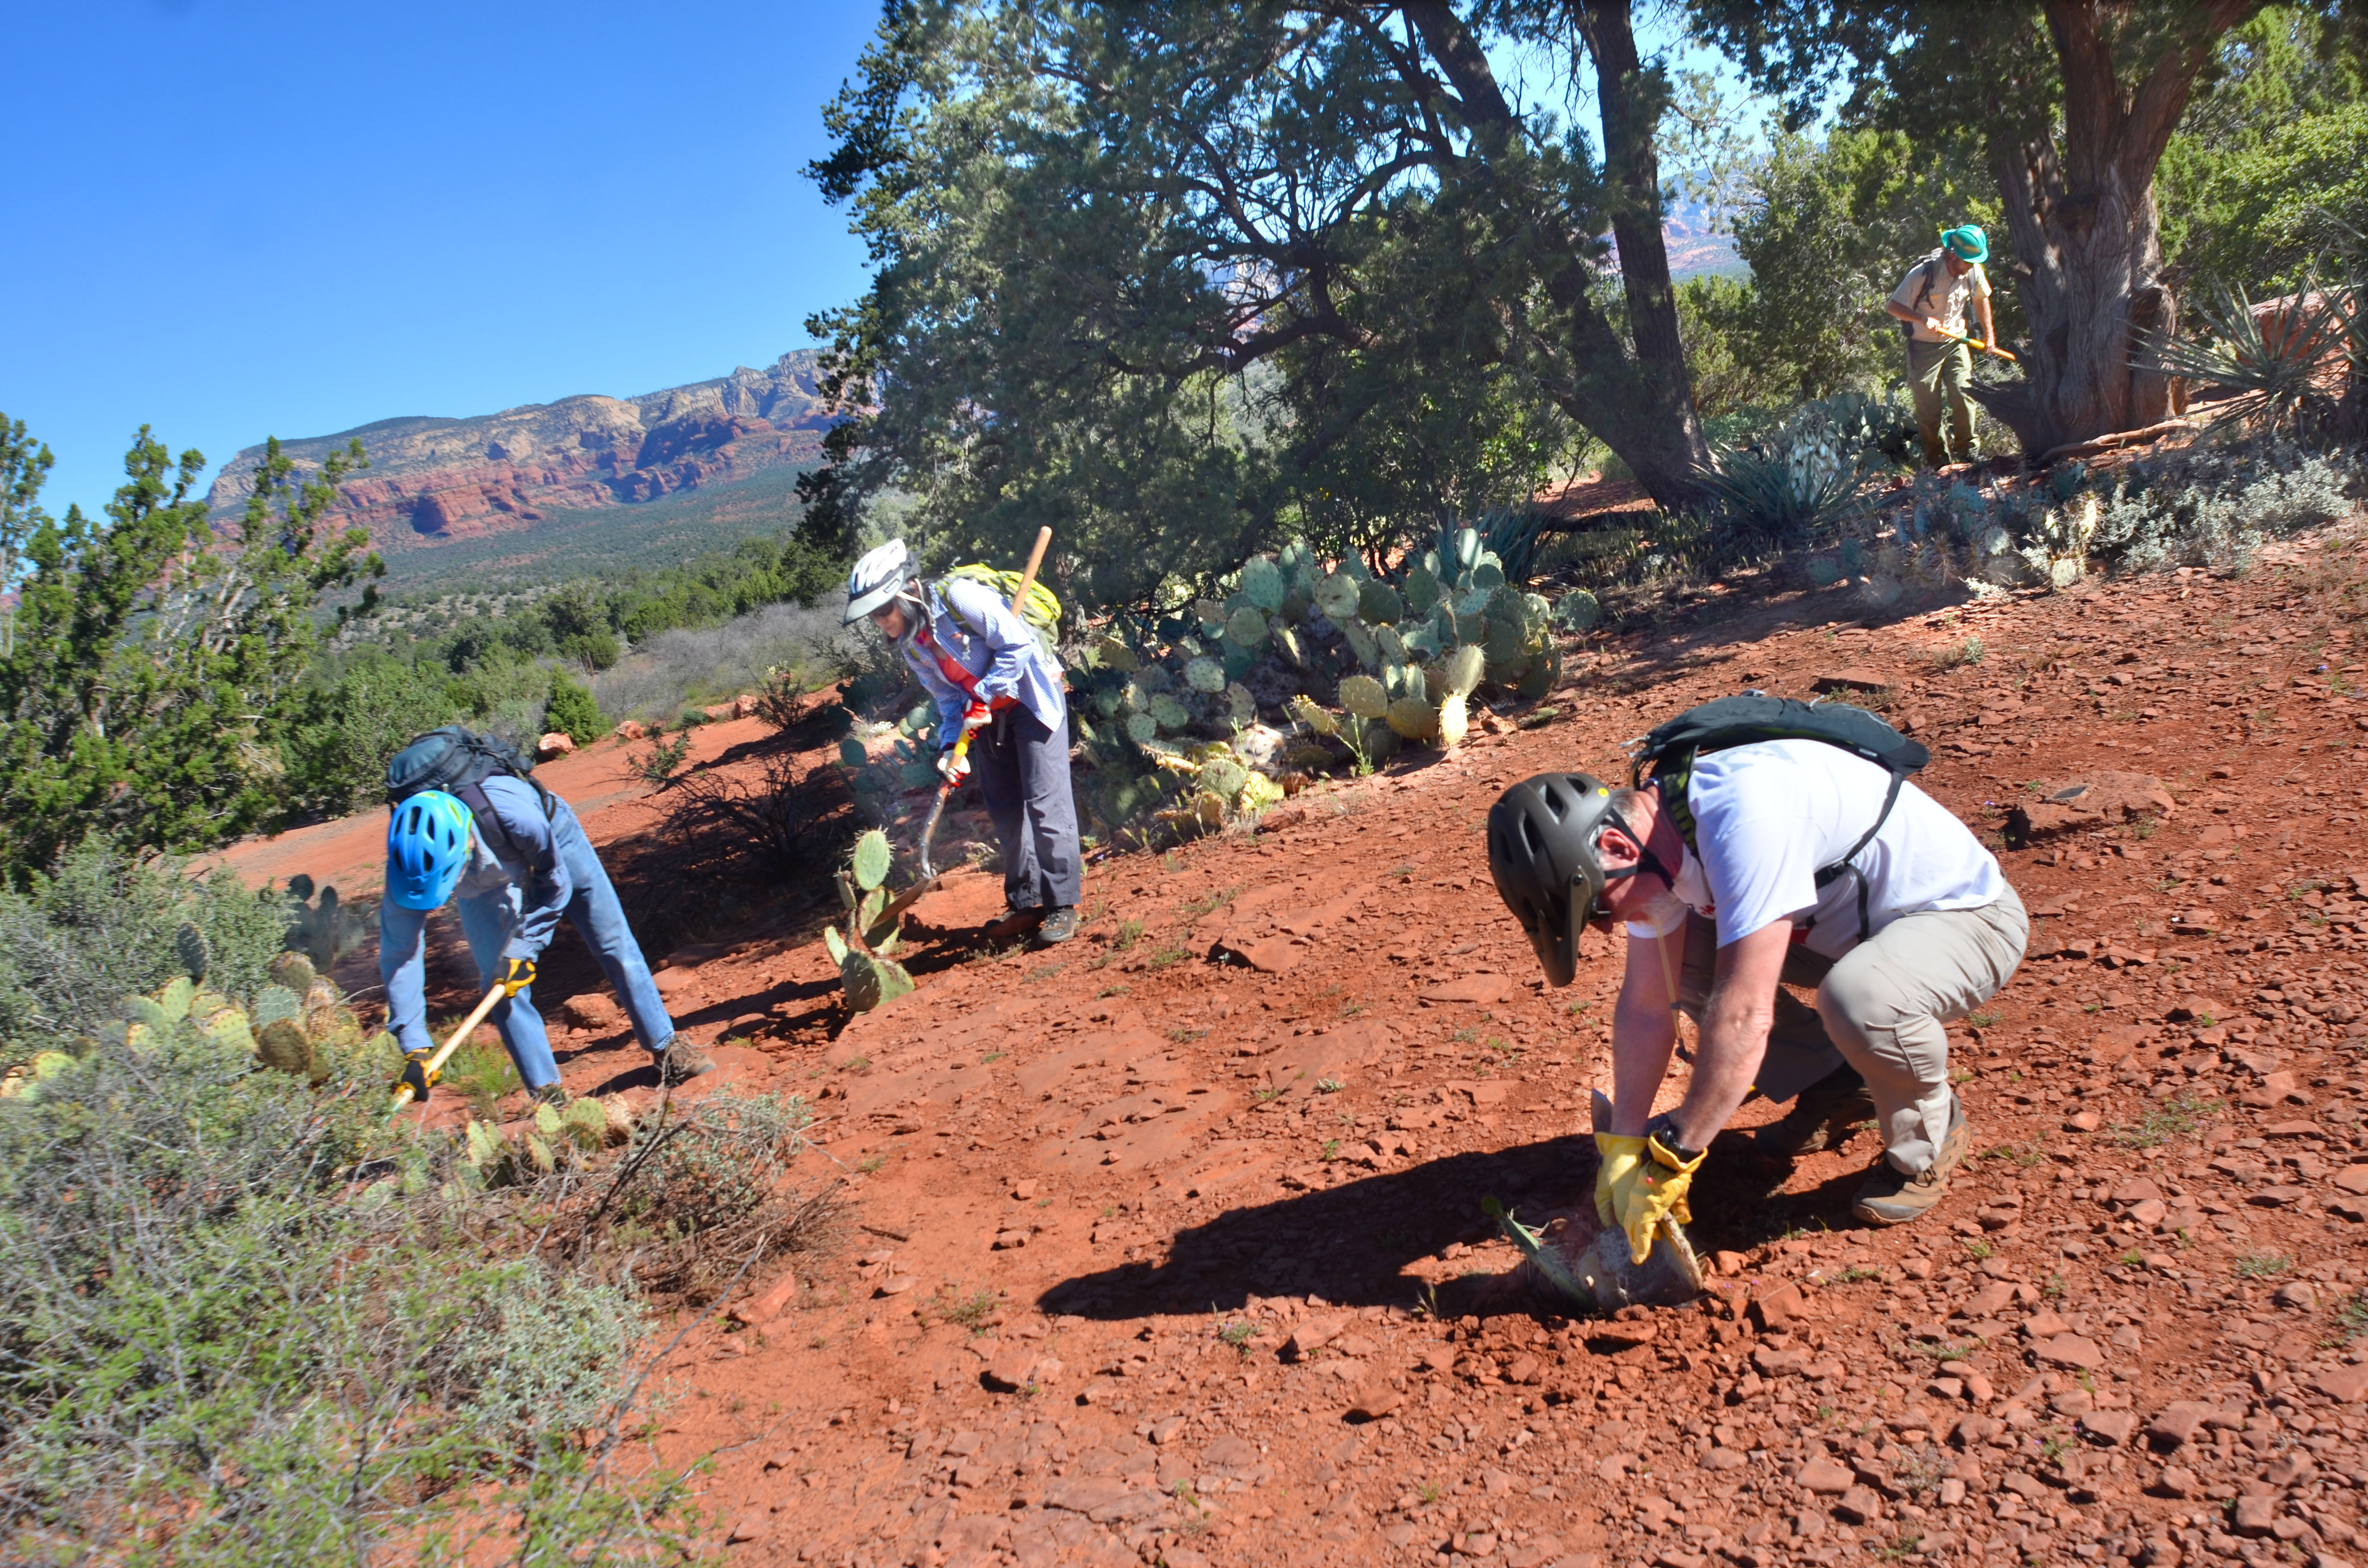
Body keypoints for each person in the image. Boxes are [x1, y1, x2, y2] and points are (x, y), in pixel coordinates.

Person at [1485, 741, 2026, 1258]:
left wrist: (1675, 1154)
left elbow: (1744, 1013)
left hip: (1962, 920)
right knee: (1690, 972)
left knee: (1860, 999)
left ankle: (1924, 1144)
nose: (1605, 929)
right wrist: (1622, 1145)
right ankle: (1839, 1085)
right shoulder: (1659, 839)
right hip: (1843, 929)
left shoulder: (1746, 822)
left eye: (1598, 910)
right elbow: (1647, 1006)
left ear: (1616, 848)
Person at [381, 772, 712, 1106]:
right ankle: (548, 1097)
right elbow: (400, 953)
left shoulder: (516, 817)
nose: (449, 892)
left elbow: (556, 887)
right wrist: (415, 1048)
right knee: (498, 985)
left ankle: (667, 1048)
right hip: (485, 886)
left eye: (449, 880)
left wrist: (524, 948)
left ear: (465, 848)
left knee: (612, 942)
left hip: (556, 842)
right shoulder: (408, 862)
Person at [843, 539, 1081, 944]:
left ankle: (1061, 906)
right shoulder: (914, 647)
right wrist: (950, 749)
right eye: (873, 616)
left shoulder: (960, 598)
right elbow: (949, 700)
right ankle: (1025, 904)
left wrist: (987, 694)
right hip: (983, 716)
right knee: (1004, 808)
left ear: (907, 593)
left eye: (883, 610)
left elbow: (1019, 646)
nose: (880, 621)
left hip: (1031, 698)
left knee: (1044, 801)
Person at [1886, 224, 1996, 469]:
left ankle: (1968, 454)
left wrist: (1990, 336)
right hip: (1923, 348)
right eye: (1968, 260)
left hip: (1956, 343)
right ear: (1953, 254)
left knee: (1964, 393)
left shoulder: (1973, 271)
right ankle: (1939, 463)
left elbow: (1982, 299)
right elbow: (1893, 306)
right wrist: (1923, 319)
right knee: (1929, 408)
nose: (1972, 265)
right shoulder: (1922, 273)